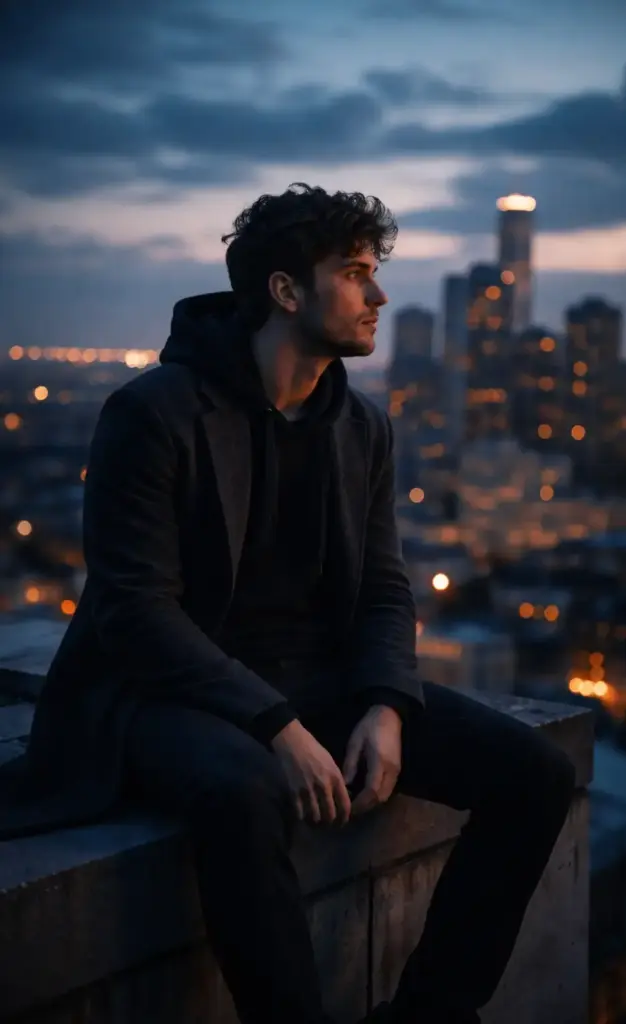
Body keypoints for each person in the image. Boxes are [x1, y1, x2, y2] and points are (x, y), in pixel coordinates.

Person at [0, 183, 576, 1023]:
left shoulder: (362, 426)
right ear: (284, 290)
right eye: (353, 272)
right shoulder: (152, 412)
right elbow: (135, 609)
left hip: (318, 680)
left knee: (535, 772)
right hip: (163, 693)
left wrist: (385, 703)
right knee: (244, 793)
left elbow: (384, 587)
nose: (378, 295)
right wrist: (275, 724)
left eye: (374, 271)